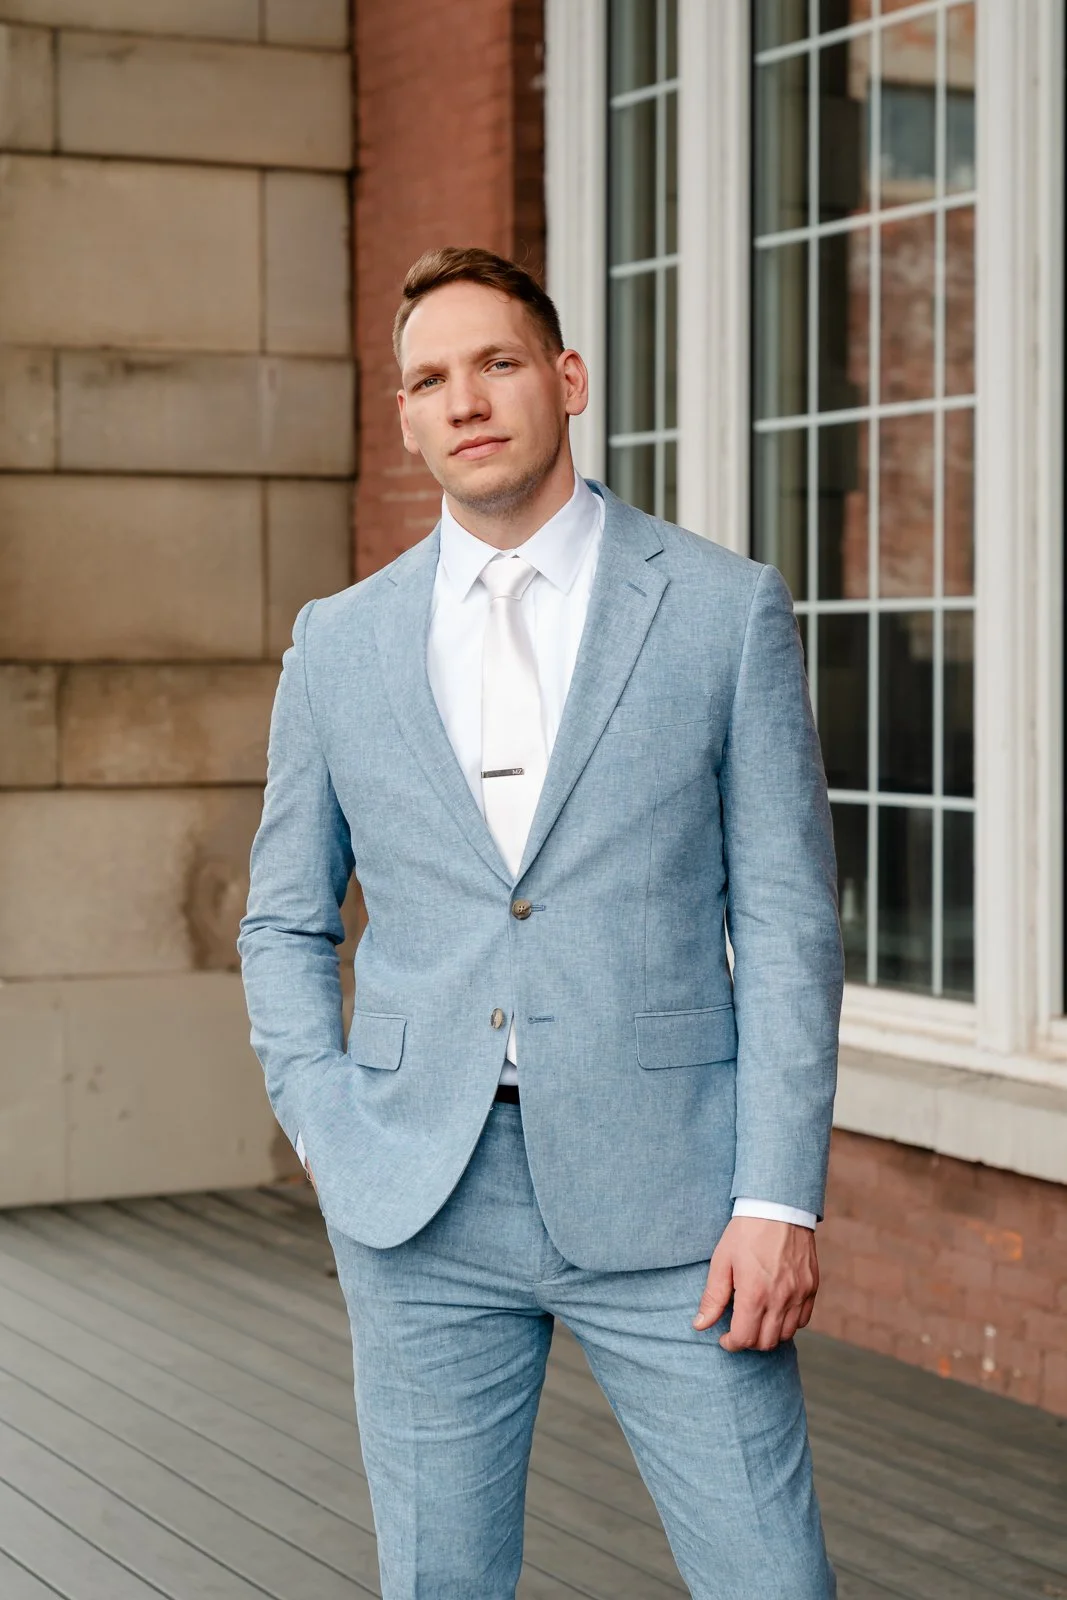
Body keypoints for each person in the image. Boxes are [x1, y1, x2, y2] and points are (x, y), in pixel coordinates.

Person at [238, 246, 844, 1599]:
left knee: (767, 1577)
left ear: (563, 380)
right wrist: (332, 1132)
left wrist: (775, 1195)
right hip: (419, 1208)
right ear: (403, 416)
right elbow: (280, 923)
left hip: (681, 1207)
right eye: (429, 380)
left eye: (495, 363)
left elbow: (791, 922)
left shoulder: (717, 610)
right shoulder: (336, 643)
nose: (464, 400)